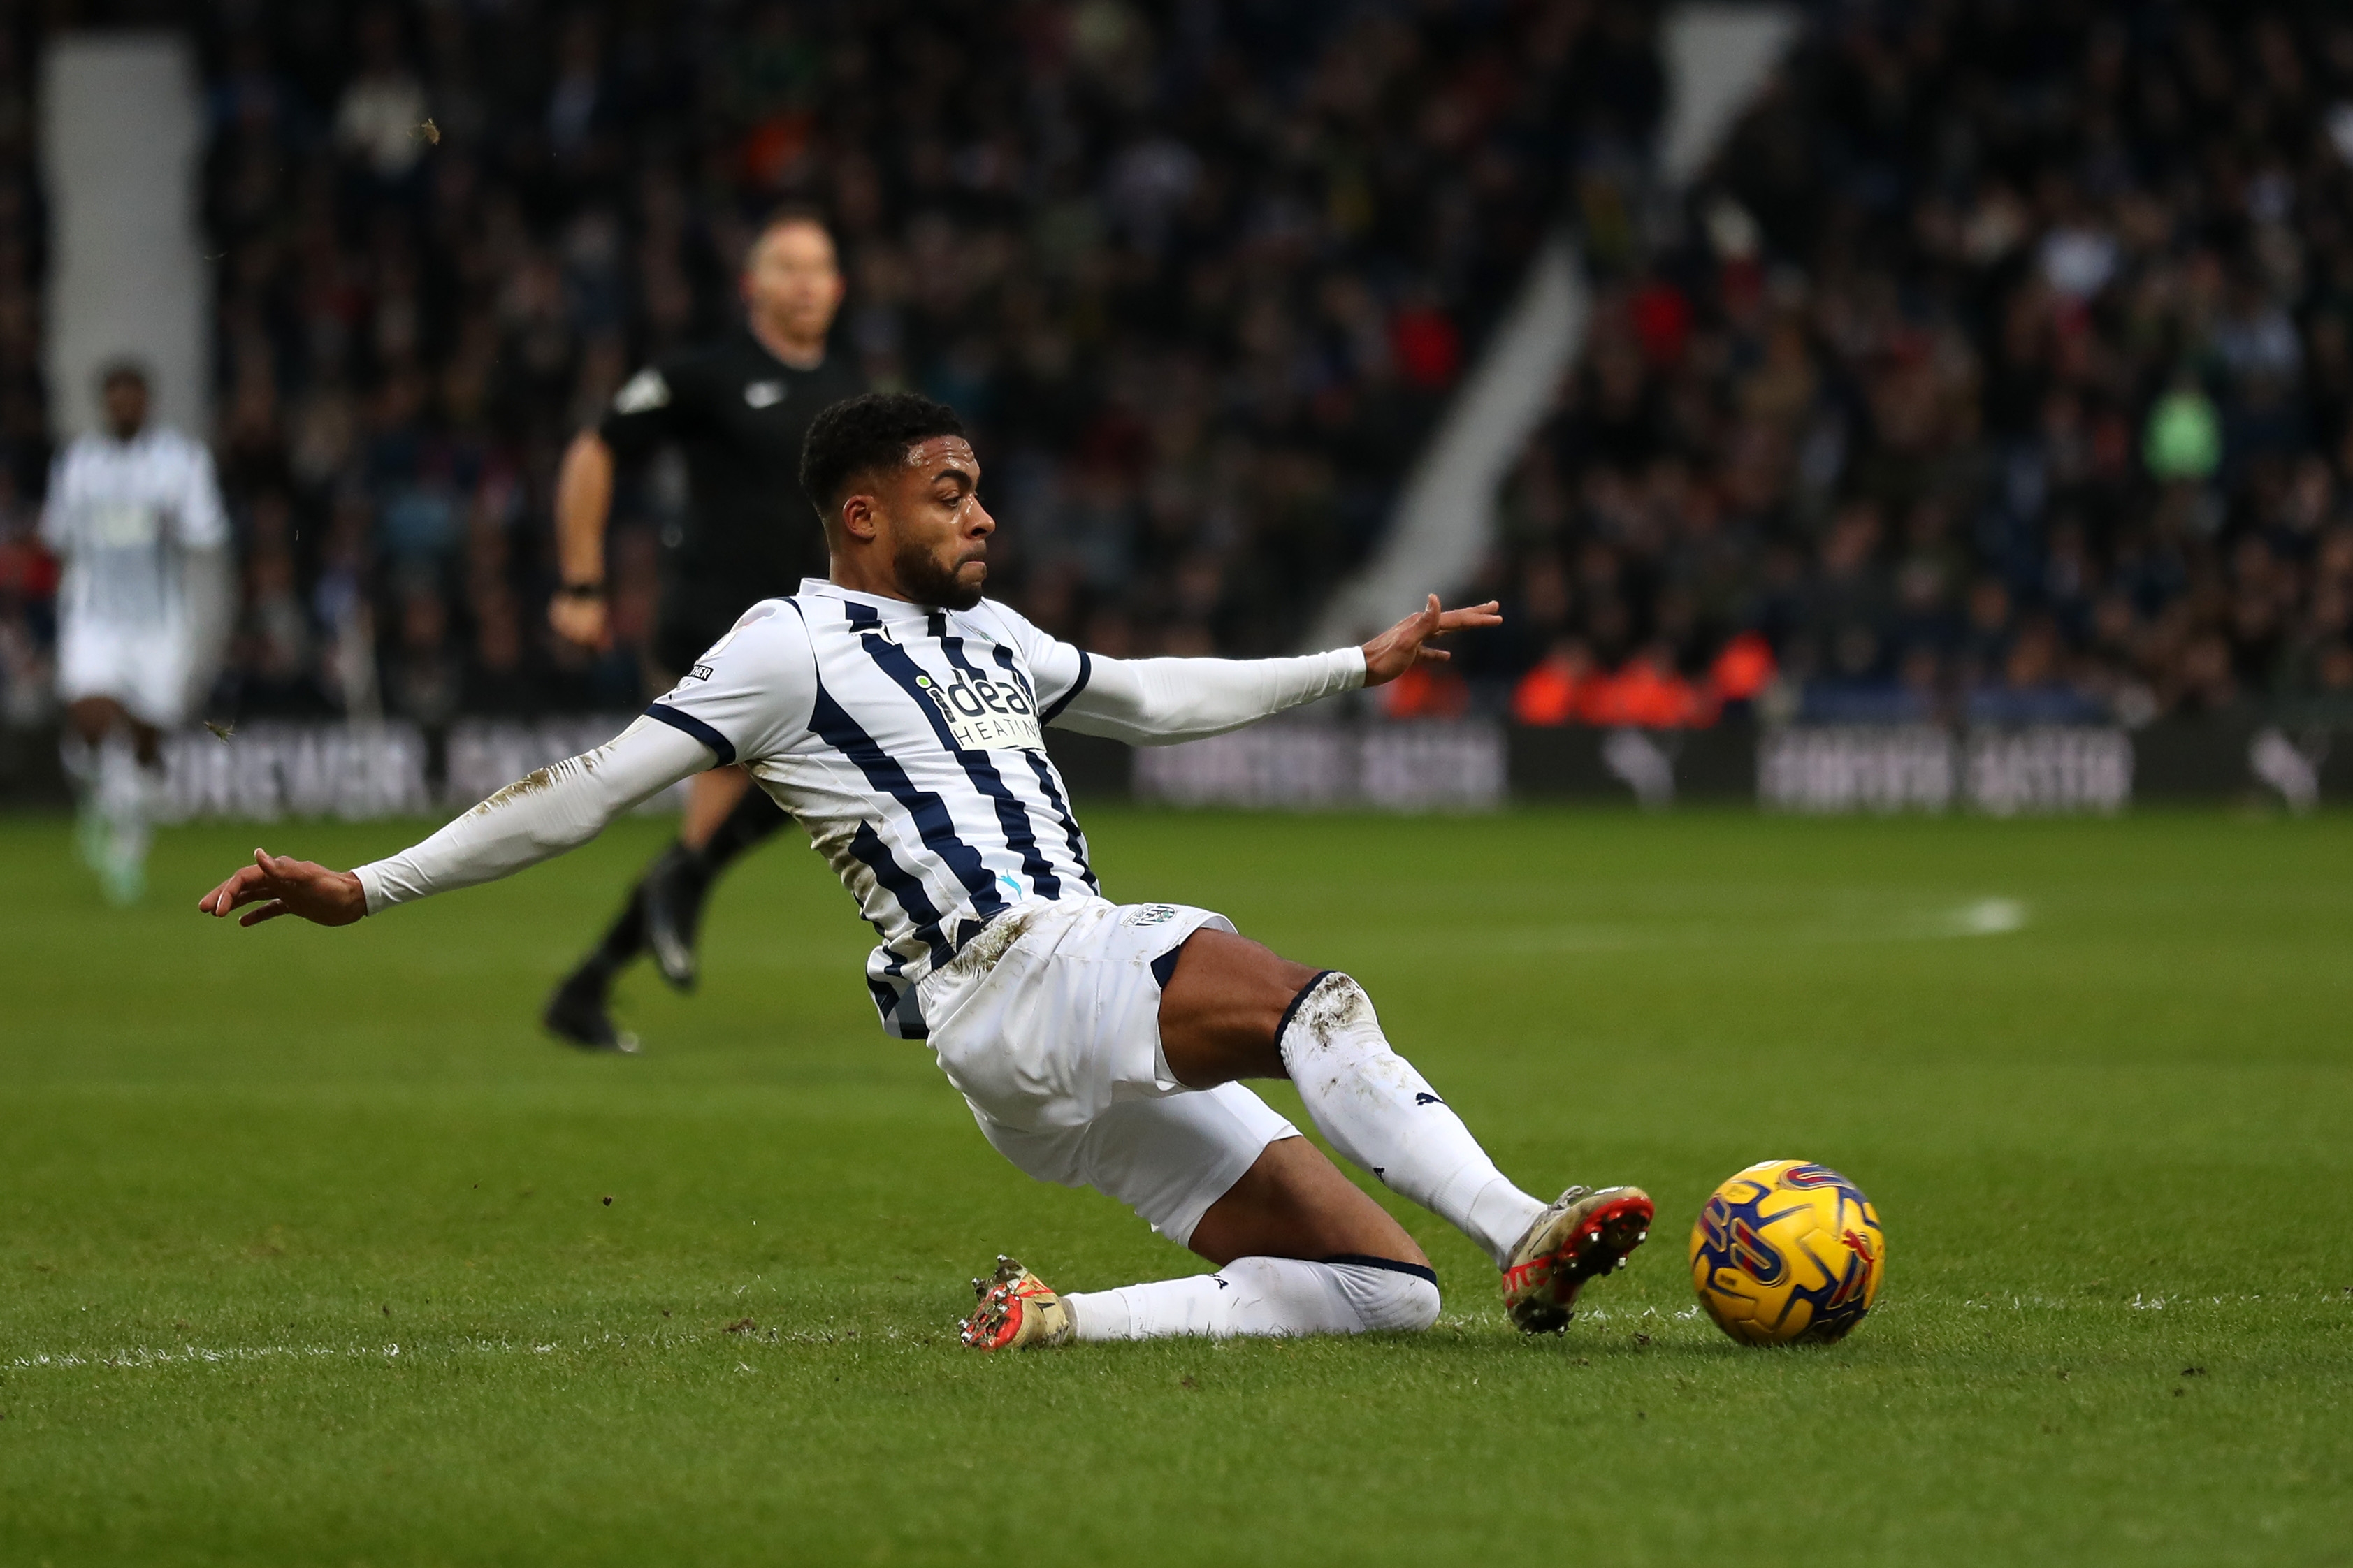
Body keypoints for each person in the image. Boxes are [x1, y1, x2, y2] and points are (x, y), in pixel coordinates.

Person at [197, 392, 1653, 1347]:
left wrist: (1356, 662)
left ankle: (1059, 1321)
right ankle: (1525, 1233)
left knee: (1380, 1295)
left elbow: (1148, 697)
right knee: (1311, 1005)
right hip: (1017, 963)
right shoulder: (789, 644)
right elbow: (590, 789)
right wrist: (372, 885)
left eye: (979, 494)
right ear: (862, 516)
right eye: (950, 494)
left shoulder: (995, 636)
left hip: (1019, 1049)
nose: (982, 516)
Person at [542, 206, 865, 1051]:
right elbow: (595, 451)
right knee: (792, 788)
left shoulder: (850, 394)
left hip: (808, 636)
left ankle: (596, 976)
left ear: (837, 290)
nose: (803, 283)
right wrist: (582, 580)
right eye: (785, 267)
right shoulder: (705, 375)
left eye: (818, 268)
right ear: (751, 284)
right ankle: (663, 903)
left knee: (739, 816)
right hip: (714, 624)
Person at [45, 362, 230, 903]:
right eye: (115, 398)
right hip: (95, 617)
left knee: (148, 738)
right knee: (92, 718)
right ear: (106, 404)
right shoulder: (78, 463)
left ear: (147, 402)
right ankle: (102, 801)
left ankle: (129, 835)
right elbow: (58, 537)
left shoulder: (181, 461)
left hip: (159, 623)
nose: (124, 407)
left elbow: (208, 532)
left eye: (133, 398)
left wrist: (173, 525)